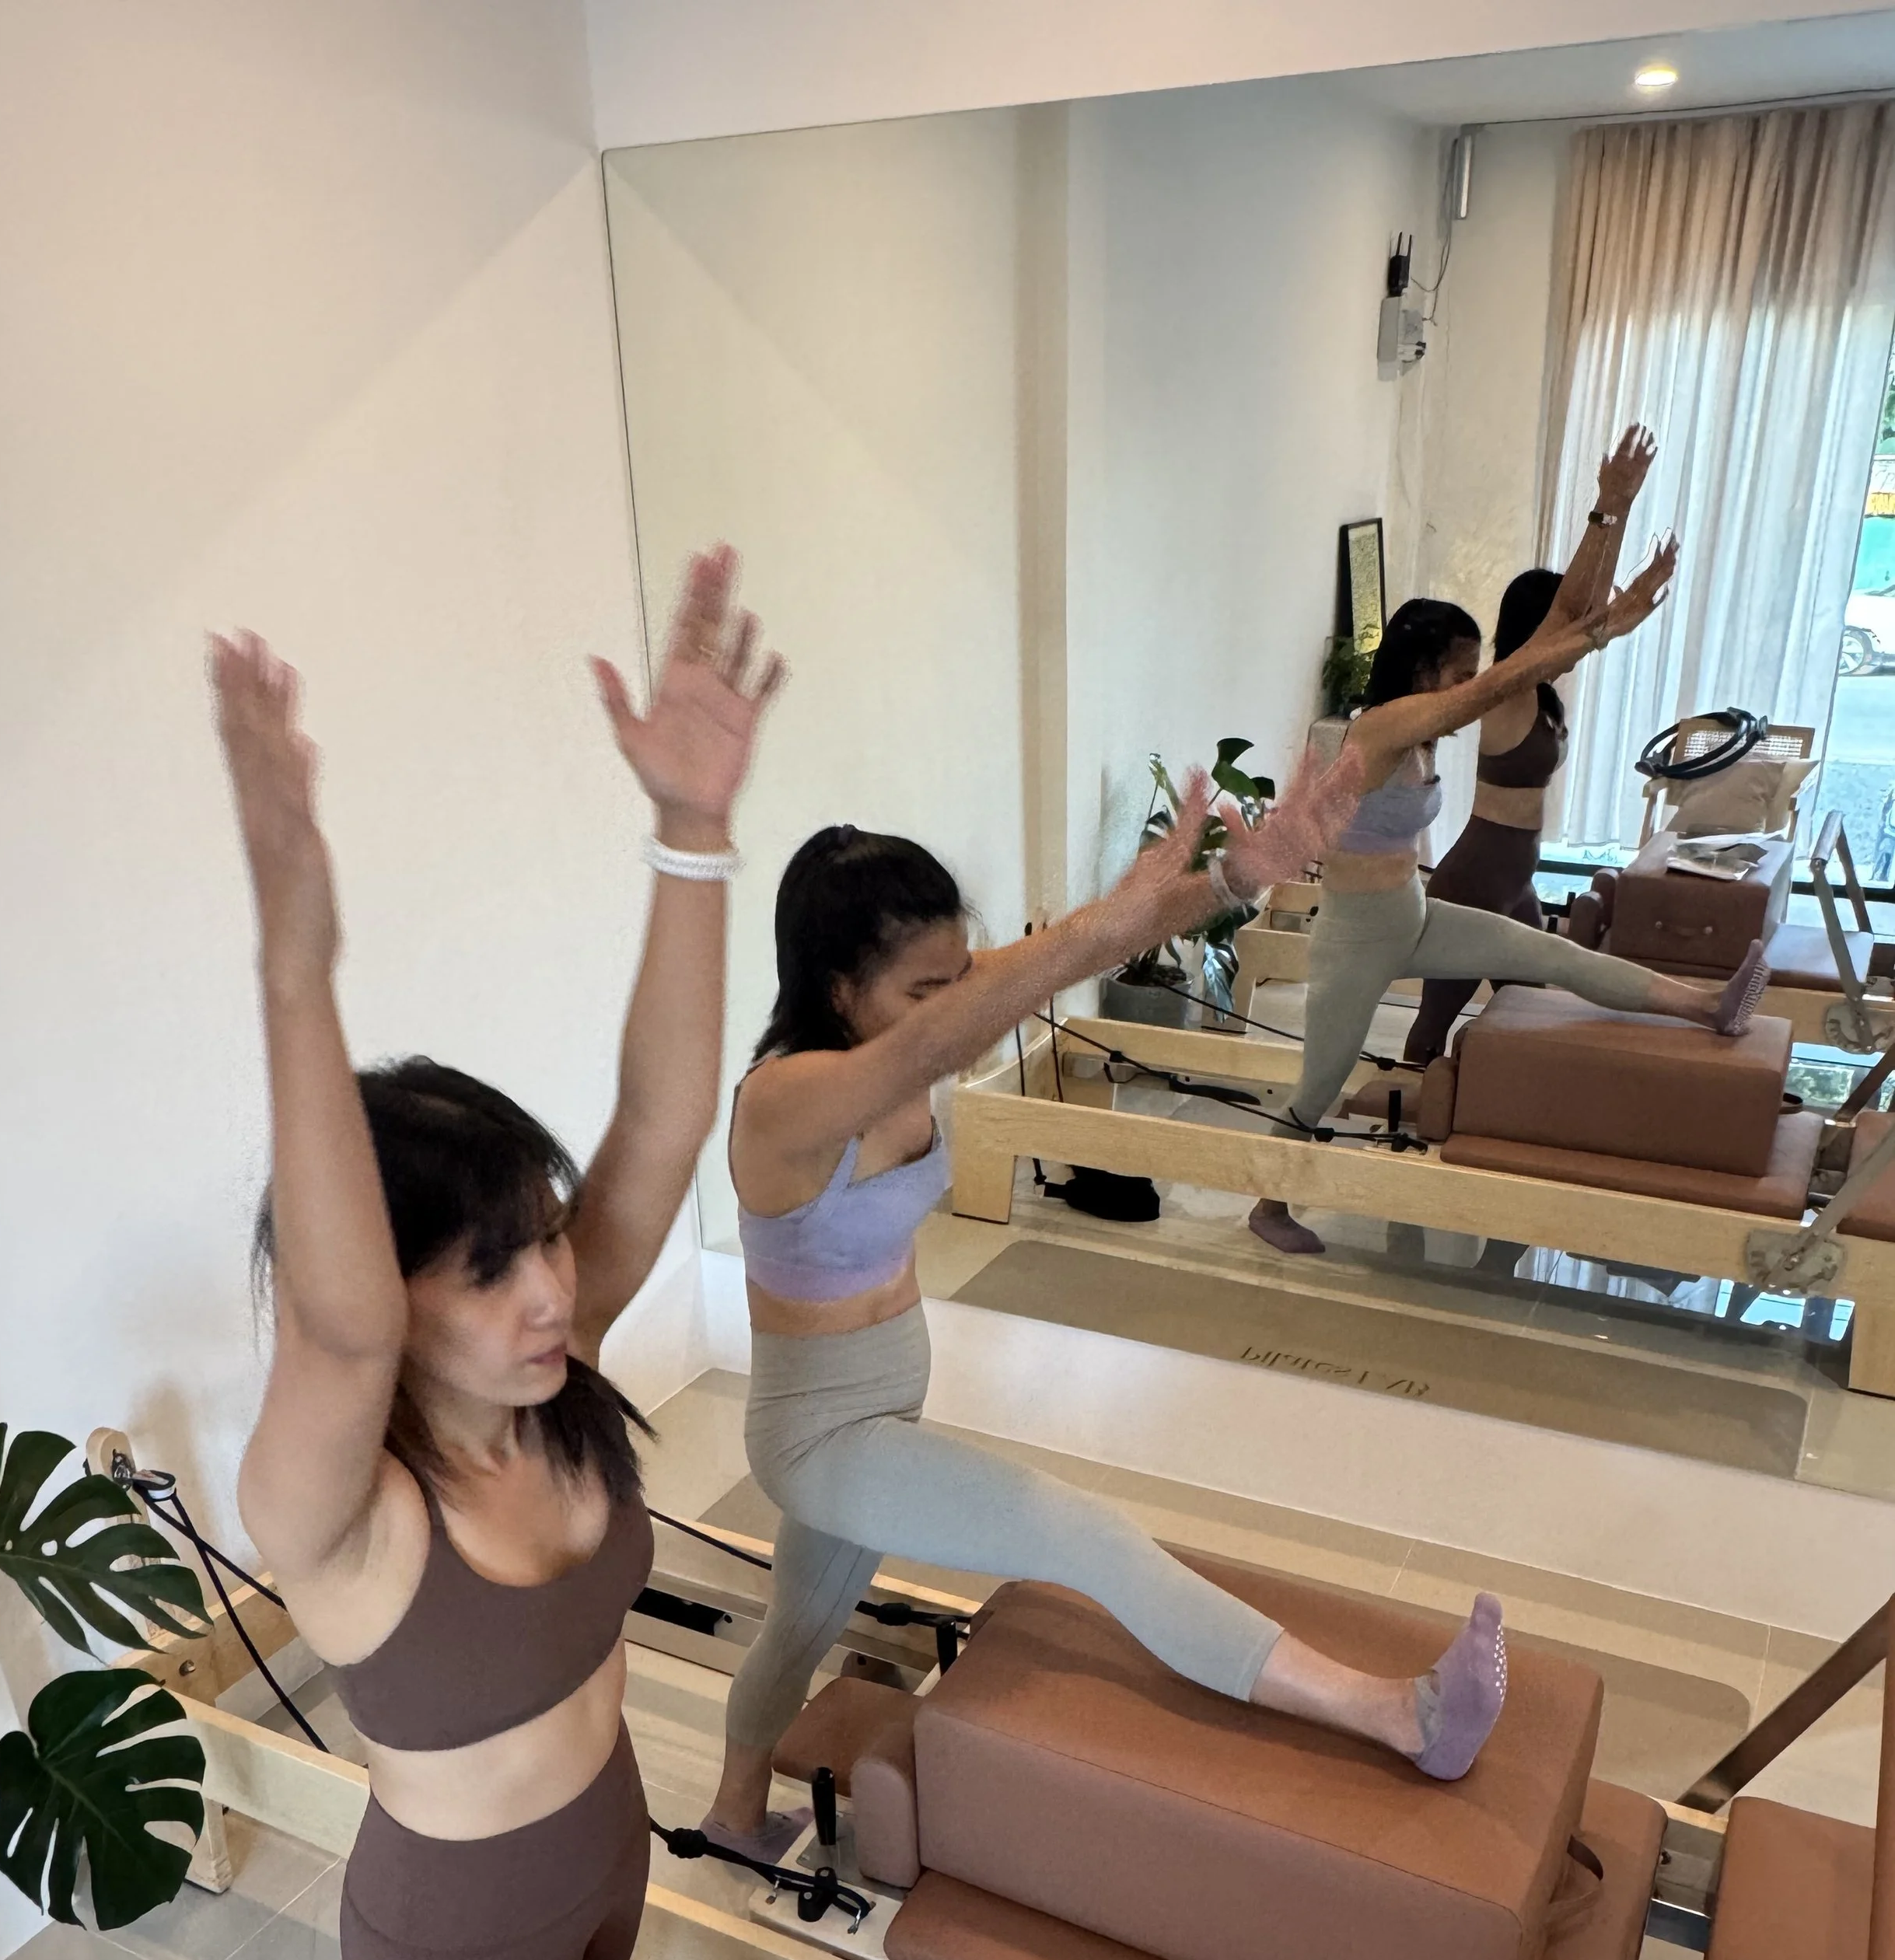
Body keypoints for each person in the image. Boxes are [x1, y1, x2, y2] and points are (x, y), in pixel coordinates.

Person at [215, 551, 907, 1960]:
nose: (552, 1286)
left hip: (595, 1862)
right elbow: (340, 1329)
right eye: (488, 1262)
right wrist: (295, 969)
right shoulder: (334, 1504)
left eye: (543, 1239)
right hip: (447, 1953)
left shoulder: (546, 1373)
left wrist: (691, 835)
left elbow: (663, 1117)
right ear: (388, 1302)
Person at [700, 777, 1514, 1855]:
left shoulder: (911, 1013)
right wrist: (1107, 923)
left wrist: (1231, 878)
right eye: (925, 989)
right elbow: (957, 1030)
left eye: (960, 974)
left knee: (797, 1625)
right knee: (1082, 1533)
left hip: (886, 1395)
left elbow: (1062, 961)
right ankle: (1395, 1713)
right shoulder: (785, 1101)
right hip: (820, 1436)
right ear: (840, 987)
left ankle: (733, 1813)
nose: (957, 1002)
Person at [1243, 535, 1774, 1260]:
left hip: (1415, 915)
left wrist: (1609, 573)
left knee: (1550, 953)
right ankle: (1268, 1205)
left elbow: (1531, 657)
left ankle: (1705, 1005)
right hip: (1357, 938)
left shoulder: (1422, 732)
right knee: (1321, 1082)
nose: (1472, 683)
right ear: (1426, 670)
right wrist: (1605, 612)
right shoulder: (1383, 728)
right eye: (1460, 672)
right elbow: (1512, 675)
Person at [1400, 426, 1659, 1067]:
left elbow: (1588, 607)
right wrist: (1610, 506)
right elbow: (1575, 611)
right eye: (1563, 629)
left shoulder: (1542, 696)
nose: (1581, 635)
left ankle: (1504, 1108)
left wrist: (1622, 515)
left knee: (1527, 1006)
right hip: (1478, 878)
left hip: (1514, 876)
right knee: (1436, 1017)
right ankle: (1398, 1118)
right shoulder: (1510, 692)